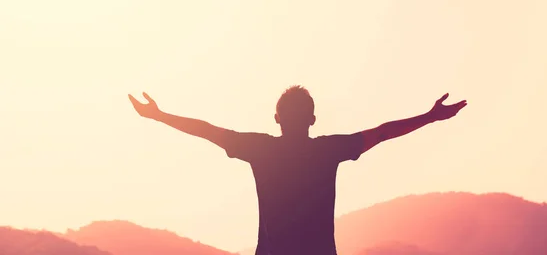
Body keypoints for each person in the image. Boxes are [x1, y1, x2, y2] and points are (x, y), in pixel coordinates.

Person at [128, 85, 467, 255]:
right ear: (313, 119)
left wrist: (160, 116)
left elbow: (208, 130)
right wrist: (429, 117)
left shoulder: (261, 149)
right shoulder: (328, 150)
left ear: (276, 119)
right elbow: (382, 132)